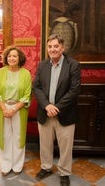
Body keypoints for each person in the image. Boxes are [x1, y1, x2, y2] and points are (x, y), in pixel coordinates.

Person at [32, 34, 81, 186]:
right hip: (45, 112)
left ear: (62, 48)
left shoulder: (73, 65)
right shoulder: (42, 65)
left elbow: (74, 90)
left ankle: (64, 172)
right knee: (45, 144)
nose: (52, 49)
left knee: (65, 146)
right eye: (50, 47)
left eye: (55, 46)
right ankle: (46, 167)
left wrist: (56, 107)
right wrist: (47, 105)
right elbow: (36, 87)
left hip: (65, 113)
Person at [0, 45, 32, 176]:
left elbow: (27, 95)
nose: (12, 58)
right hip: (3, 108)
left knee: (18, 137)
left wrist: (13, 109)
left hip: (19, 109)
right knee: (5, 137)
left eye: (14, 56)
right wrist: (5, 109)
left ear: (19, 58)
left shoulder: (26, 73)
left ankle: (17, 165)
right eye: (9, 56)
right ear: (6, 58)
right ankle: (5, 165)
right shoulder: (0, 72)